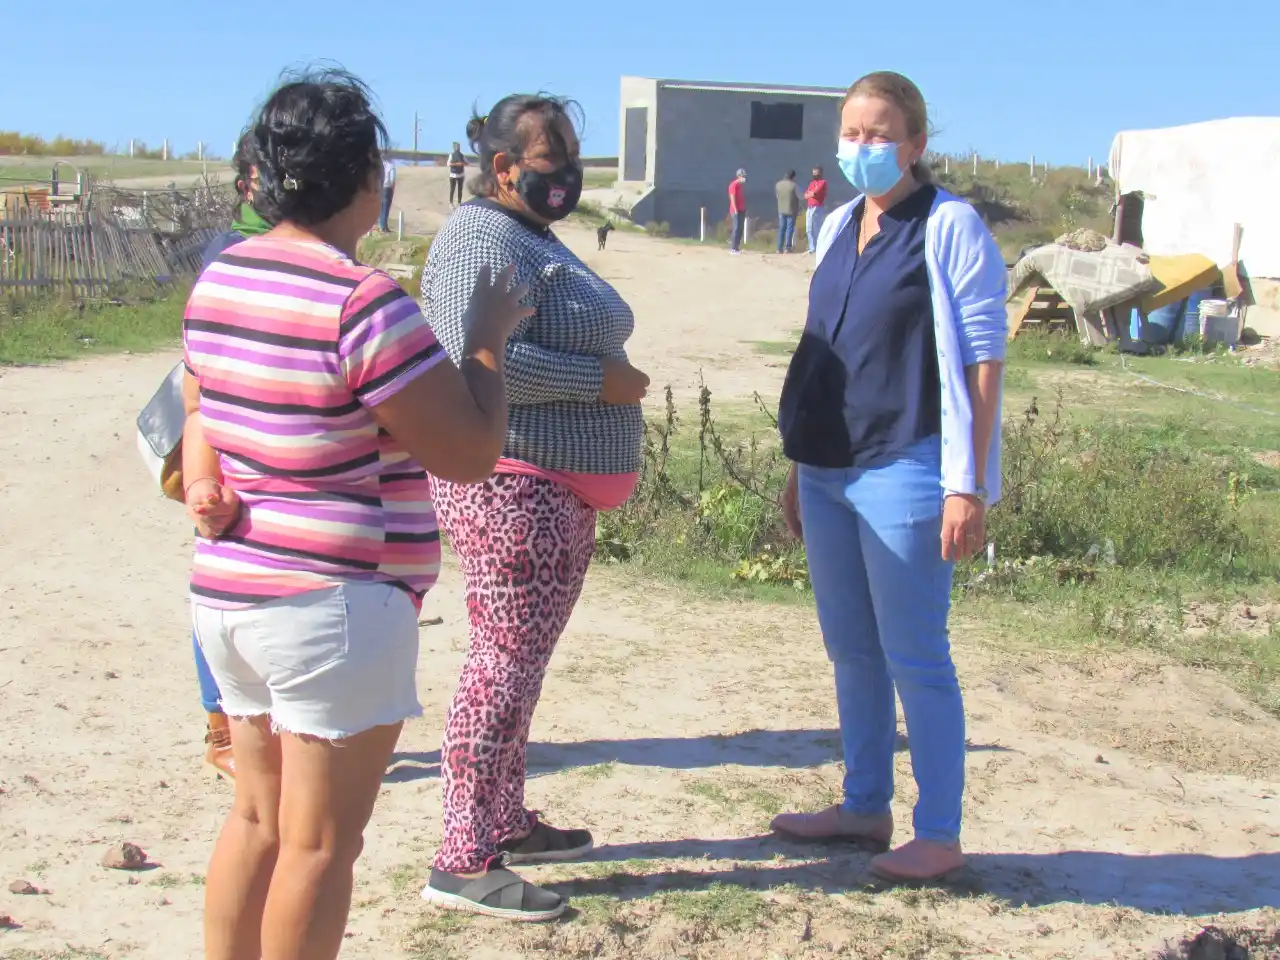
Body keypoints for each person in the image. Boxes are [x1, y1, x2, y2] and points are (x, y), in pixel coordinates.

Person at [181, 68, 532, 960]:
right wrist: (486, 340)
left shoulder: (221, 280)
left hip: (233, 593)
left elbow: (200, 406)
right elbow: (468, 452)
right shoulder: (359, 301)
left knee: (257, 821)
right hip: (332, 604)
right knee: (319, 847)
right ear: (367, 180)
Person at [770, 71, 1007, 883]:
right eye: (851, 133)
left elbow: (982, 360)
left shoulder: (949, 226)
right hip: (827, 469)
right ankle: (864, 806)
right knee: (851, 649)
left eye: (878, 134)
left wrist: (968, 484)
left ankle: (938, 834)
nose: (861, 147)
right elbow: (822, 347)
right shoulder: (836, 223)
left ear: (914, 144)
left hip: (905, 465)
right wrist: (799, 465)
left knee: (916, 655)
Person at [418, 93, 649, 922]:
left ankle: (504, 821)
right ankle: (462, 858)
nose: (568, 174)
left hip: (548, 488)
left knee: (521, 664)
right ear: (505, 166)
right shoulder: (479, 236)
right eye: (553, 159)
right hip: (512, 482)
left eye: (572, 157)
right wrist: (599, 383)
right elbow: (471, 356)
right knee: (501, 664)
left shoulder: (528, 235)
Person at [185, 132, 274, 782]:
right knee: (220, 571)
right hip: (225, 437)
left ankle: (259, 725)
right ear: (247, 180)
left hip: (273, 441)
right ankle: (222, 727)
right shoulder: (229, 253)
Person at [804, 165, 828, 254]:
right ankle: (812, 247)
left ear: (820, 173)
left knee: (816, 228)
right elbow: (805, 195)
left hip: (817, 207)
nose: (814, 175)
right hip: (809, 207)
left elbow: (814, 193)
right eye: (813, 173)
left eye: (816, 173)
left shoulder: (823, 182)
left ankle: (819, 247)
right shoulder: (812, 183)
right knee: (808, 228)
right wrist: (810, 193)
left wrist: (810, 193)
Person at [775, 169, 800, 254]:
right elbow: (800, 196)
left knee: (782, 228)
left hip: (781, 209)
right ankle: (787, 247)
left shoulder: (778, 184)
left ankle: (779, 248)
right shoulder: (794, 185)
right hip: (791, 209)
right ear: (793, 177)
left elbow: (777, 196)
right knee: (789, 229)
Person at [728, 168, 747, 254]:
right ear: (739, 176)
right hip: (735, 210)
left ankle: (737, 247)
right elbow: (732, 197)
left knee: (740, 229)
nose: (744, 178)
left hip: (741, 209)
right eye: (743, 176)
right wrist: (735, 209)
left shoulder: (740, 185)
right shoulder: (733, 185)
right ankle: (733, 248)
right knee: (736, 228)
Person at [379, 154, 397, 231]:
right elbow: (392, 180)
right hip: (387, 188)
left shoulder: (379, 167)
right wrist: (392, 190)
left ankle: (381, 225)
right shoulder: (391, 166)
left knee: (380, 208)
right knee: (386, 208)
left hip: (379, 188)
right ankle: (384, 226)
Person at [447, 141, 466, 207]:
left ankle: (459, 203)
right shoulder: (451, 155)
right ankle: (451, 203)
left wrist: (463, 163)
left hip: (461, 175)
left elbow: (467, 163)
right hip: (453, 175)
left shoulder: (462, 155)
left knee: (460, 190)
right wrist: (456, 164)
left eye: (458, 146)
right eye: (456, 147)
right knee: (452, 189)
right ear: (454, 148)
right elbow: (448, 164)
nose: (458, 148)